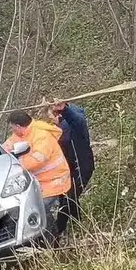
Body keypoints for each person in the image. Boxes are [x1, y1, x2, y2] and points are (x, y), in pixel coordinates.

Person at [4, 110, 71, 246]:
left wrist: (16, 165)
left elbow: (37, 160)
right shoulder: (23, 134)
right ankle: (43, 238)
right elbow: (8, 146)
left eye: (12, 127)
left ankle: (53, 241)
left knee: (39, 207)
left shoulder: (41, 135)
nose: (12, 130)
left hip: (55, 181)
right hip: (39, 183)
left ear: (18, 126)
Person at [48, 101, 95, 236]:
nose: (50, 120)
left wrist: (65, 109)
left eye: (51, 117)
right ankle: (79, 223)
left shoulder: (74, 126)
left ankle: (57, 233)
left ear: (58, 115)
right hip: (66, 171)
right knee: (68, 197)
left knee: (67, 199)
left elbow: (78, 120)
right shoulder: (57, 129)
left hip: (81, 167)